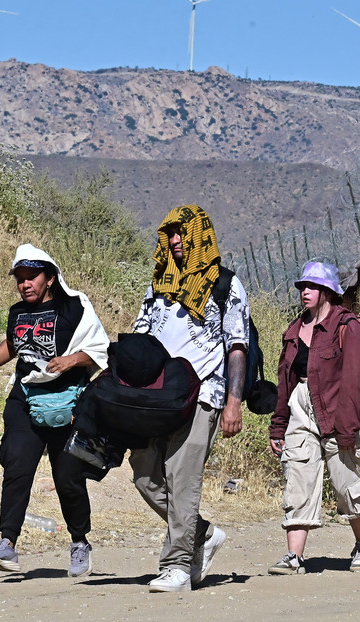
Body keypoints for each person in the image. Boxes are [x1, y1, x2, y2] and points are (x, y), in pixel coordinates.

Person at [0, 244, 110, 577]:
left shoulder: (74, 308)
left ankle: (79, 541)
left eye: (33, 277)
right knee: (16, 462)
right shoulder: (17, 312)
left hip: (68, 399)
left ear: (51, 278)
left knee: (67, 476)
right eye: (20, 279)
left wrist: (72, 360)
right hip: (26, 396)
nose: (25, 284)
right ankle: (7, 544)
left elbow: (100, 348)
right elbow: (14, 345)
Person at [129, 204, 249, 592]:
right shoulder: (158, 285)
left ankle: (177, 565)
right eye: (171, 234)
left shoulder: (225, 284)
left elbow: (237, 346)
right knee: (145, 475)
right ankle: (203, 534)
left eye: (183, 233)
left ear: (200, 236)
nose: (176, 241)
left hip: (204, 394)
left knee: (182, 479)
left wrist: (233, 402)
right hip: (157, 395)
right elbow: (142, 336)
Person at [267, 261, 360, 576]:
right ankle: (293, 556)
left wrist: (346, 430)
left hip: (340, 407)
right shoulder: (294, 329)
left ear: (328, 291)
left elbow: (355, 381)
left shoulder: (348, 326)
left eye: (312, 287)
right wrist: (279, 426)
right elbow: (285, 381)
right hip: (300, 405)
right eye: (302, 286)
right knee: (298, 479)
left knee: (346, 486)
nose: (305, 292)